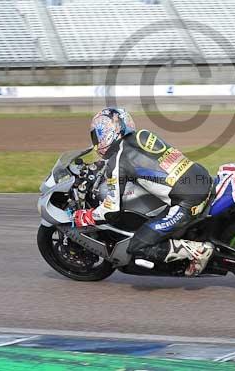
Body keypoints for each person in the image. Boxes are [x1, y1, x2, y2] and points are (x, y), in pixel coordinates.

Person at [71, 107, 214, 276]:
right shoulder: (143, 135)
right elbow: (148, 163)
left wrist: (85, 216)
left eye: (97, 135)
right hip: (201, 176)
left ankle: (198, 251)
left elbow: (111, 210)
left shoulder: (117, 161)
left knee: (138, 246)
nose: (96, 140)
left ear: (107, 133)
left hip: (187, 201)